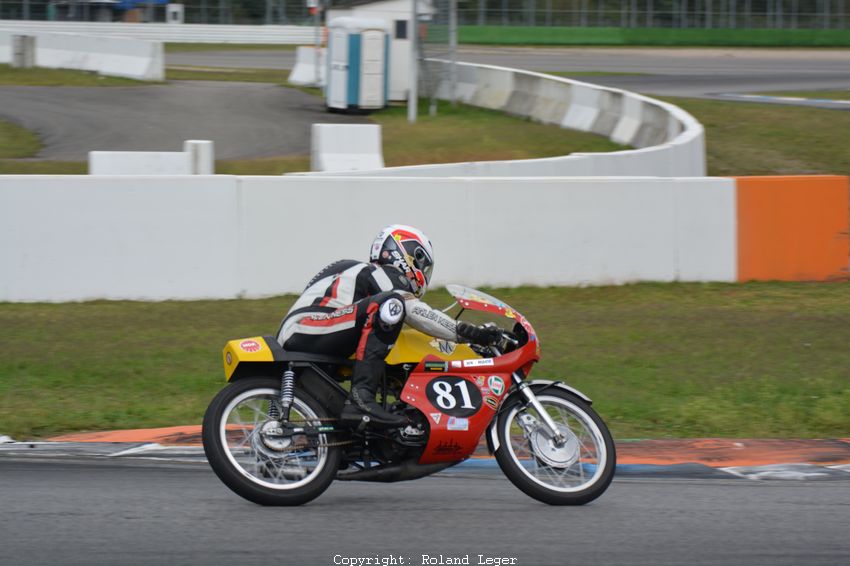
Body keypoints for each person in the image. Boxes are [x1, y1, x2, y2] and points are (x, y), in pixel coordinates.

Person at [276, 224, 502, 428]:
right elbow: (412, 309)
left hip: (309, 329)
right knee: (392, 304)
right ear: (410, 255)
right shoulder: (378, 272)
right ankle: (361, 398)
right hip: (309, 326)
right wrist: (464, 331)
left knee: (388, 314)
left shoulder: (356, 274)